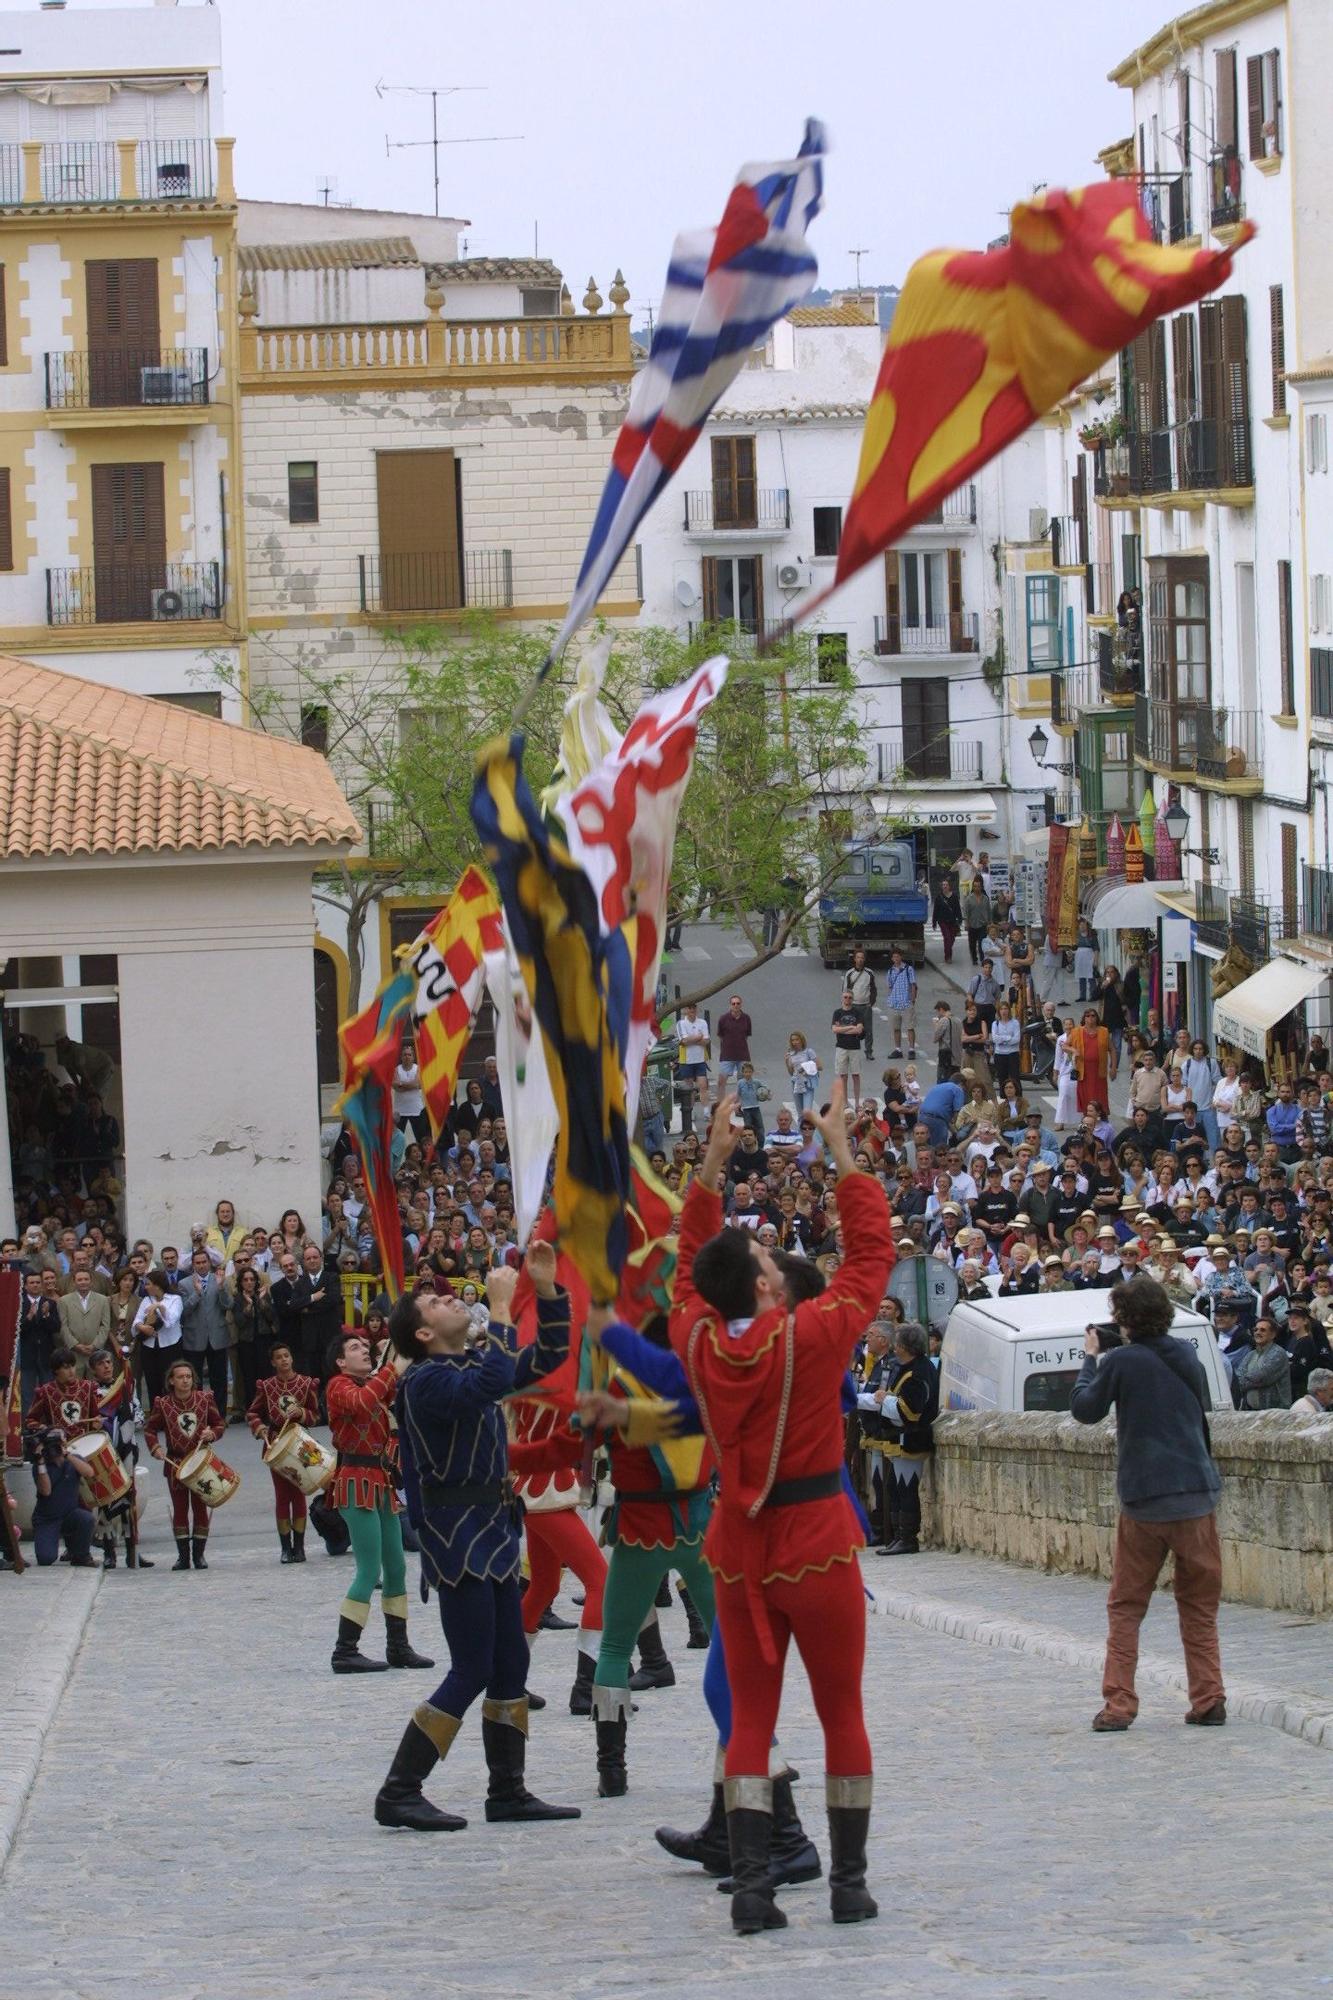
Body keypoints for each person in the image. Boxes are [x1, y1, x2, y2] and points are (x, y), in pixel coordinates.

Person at [669, 1083, 893, 1934]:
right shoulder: (813, 1333)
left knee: (752, 1720)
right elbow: (871, 1260)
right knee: (842, 1712)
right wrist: (841, 1158)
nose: (775, 1264)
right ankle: (847, 1883)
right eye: (767, 1265)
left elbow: (689, 1262)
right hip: (817, 1540)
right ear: (766, 1291)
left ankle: (755, 1890)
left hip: (738, 1546)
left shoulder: (693, 1337)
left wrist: (712, 1165)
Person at [373, 1245, 580, 1831]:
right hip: (455, 1534)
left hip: (491, 1528)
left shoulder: (463, 1366)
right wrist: (501, 1306)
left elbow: (548, 1357)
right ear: (421, 1332)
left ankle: (507, 1790)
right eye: (438, 1300)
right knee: (471, 1666)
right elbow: (492, 1382)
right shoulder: (426, 1380)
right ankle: (399, 1788)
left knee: (510, 1658)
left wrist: (546, 1291)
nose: (450, 1298)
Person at [1070, 1275, 1225, 1732]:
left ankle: (1119, 1703)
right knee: (1198, 1604)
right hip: (1196, 1492)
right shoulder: (1189, 1357)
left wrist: (1090, 1358)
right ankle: (1209, 1696)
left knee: (1126, 1605)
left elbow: (1085, 1408)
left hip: (1144, 1497)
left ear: (1124, 1318)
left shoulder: (1120, 1361)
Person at [326, 1327, 434, 1675]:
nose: (363, 1350)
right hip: (355, 1479)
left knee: (397, 1566)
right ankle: (345, 1650)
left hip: (381, 1479)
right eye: (355, 1348)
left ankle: (398, 1646)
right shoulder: (338, 1386)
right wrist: (390, 1369)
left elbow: (396, 1398)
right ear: (341, 1361)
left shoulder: (374, 1383)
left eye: (365, 1346)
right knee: (369, 1568)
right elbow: (363, 1402)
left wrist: (402, 1355)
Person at [144, 1357, 226, 1572]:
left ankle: (199, 1556)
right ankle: (183, 1557)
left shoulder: (204, 1399)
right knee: (180, 1510)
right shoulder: (163, 1404)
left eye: (188, 1377)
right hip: (176, 1463)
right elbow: (150, 1429)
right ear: (171, 1380)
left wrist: (212, 1433)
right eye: (180, 1377)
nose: (185, 1381)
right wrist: (156, 1448)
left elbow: (219, 1424)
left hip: (200, 1462)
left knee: (200, 1507)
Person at [246, 1343, 322, 1562]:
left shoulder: (306, 1384)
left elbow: (316, 1415)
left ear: (292, 1359)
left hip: (299, 1442)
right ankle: (285, 1548)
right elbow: (252, 1412)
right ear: (273, 1362)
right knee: (282, 1495)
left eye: (287, 1356)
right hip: (275, 1443)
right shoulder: (267, 1386)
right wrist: (259, 1427)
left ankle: (300, 1547)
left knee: (299, 1491)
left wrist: (303, 1413)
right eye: (278, 1357)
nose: (284, 1360)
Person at [873, 1321, 938, 1555]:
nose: (894, 1346)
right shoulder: (911, 1367)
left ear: (905, 1346)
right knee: (895, 1486)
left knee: (906, 1487)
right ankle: (899, 1536)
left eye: (897, 1343)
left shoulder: (917, 1372)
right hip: (904, 1437)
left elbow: (911, 1410)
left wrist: (884, 1400)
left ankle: (908, 1538)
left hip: (912, 1437)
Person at [27, 1426, 97, 1568]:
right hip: (47, 1519)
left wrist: (67, 1455)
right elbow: (45, 1491)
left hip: (70, 1514)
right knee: (46, 1559)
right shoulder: (40, 1465)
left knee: (86, 1518)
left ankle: (80, 1555)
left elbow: (89, 1473)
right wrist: (40, 1460)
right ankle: (58, 1543)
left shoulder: (74, 1459)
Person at [178, 1246, 231, 1420]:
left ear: (209, 1263)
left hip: (217, 1336)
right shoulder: (184, 1284)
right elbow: (183, 1311)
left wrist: (222, 1288)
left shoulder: (220, 1279)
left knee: (219, 1379)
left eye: (204, 1262)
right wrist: (197, 1294)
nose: (201, 1265)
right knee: (195, 1380)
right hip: (194, 1338)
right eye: (198, 1263)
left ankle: (219, 1416)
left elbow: (228, 1305)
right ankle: (198, 1415)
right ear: (193, 1265)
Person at [131, 1268, 183, 1409]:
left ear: (157, 1285)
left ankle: (171, 1412)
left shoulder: (175, 1299)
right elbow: (136, 1321)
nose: (145, 1287)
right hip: (149, 1346)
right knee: (152, 1381)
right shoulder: (146, 1300)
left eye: (148, 1284)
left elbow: (171, 1321)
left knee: (169, 1381)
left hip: (170, 1346)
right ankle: (156, 1414)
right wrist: (143, 1327)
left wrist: (159, 1307)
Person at [1232, 1317, 1293, 1409]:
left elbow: (1262, 1377)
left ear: (1272, 1334)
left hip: (1275, 1413)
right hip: (1250, 1411)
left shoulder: (1278, 1353)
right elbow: (1238, 1378)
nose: (1257, 1333)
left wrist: (1245, 1380)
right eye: (1255, 1330)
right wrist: (1246, 1380)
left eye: (1263, 1330)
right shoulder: (1250, 1355)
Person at [1071, 1009, 1114, 1117]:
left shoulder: (1104, 1031)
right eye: (1087, 1016)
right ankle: (1087, 1120)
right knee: (1085, 1097)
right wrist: (1074, 1051)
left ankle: (1103, 1119)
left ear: (1097, 1018)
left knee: (1101, 1096)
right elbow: (1065, 1045)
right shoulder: (1077, 1031)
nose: (1090, 1018)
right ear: (1084, 1018)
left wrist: (1113, 1067)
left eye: (1093, 1015)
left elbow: (1112, 1049)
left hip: (1099, 1071)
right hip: (1083, 1071)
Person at [831, 988, 865, 1111]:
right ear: (842, 998)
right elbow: (834, 1029)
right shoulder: (837, 1013)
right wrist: (851, 1027)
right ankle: (845, 1101)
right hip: (841, 1047)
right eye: (845, 997)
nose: (847, 999)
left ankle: (857, 1102)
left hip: (854, 1048)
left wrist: (843, 1028)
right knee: (843, 1076)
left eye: (850, 997)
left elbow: (859, 1030)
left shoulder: (857, 1013)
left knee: (856, 1075)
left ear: (853, 999)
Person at [883, 949, 917, 1061]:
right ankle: (898, 1049)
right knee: (896, 1028)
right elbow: (889, 987)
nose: (896, 959)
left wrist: (912, 999)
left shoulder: (908, 969)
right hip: (894, 1003)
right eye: (894, 957)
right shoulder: (890, 971)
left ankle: (911, 1049)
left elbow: (913, 984)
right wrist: (890, 999)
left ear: (901, 957)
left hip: (906, 1003)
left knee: (910, 1027)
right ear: (892, 958)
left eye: (898, 956)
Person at [845, 949, 877, 1062]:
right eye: (858, 957)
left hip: (866, 1006)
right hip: (854, 1006)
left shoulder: (869, 973)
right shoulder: (849, 973)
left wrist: (871, 1003)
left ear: (864, 959)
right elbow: (845, 990)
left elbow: (873, 989)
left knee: (868, 1030)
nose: (860, 960)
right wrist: (847, 1006)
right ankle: (853, 1052)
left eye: (862, 958)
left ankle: (869, 1051)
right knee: (853, 1030)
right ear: (854, 959)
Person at [716, 995, 753, 1086]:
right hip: (727, 1055)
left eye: (738, 1003)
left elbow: (747, 1035)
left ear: (741, 1005)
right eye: (733, 1003)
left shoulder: (746, 1018)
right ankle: (722, 1100)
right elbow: (721, 1035)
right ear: (730, 1005)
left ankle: (741, 1100)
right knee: (721, 1081)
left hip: (743, 1056)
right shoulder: (723, 1019)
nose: (736, 1005)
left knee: (744, 1082)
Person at [785, 1032, 821, 1117]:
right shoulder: (791, 1054)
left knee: (807, 1112)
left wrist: (806, 1068)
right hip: (796, 1083)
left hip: (807, 1083)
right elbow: (791, 1073)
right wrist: (786, 1062)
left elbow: (819, 1066)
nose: (795, 1042)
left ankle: (809, 1129)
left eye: (797, 1039)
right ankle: (801, 1130)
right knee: (800, 1114)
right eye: (793, 1040)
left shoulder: (809, 1052)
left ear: (802, 1040)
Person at [932, 875, 962, 964]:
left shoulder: (954, 896)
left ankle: (948, 952)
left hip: (952, 921)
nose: (944, 886)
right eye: (943, 885)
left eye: (946, 885)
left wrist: (960, 919)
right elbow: (935, 910)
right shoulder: (939, 897)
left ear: (949, 886)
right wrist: (934, 922)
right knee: (947, 938)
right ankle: (948, 957)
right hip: (942, 921)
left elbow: (957, 908)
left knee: (951, 939)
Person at [963, 879, 991, 966]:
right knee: (972, 943)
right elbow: (966, 912)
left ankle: (982, 959)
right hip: (972, 924)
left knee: (982, 943)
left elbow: (988, 911)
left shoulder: (985, 899)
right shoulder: (969, 899)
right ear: (973, 887)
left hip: (983, 924)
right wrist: (966, 923)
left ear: (981, 887)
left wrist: (989, 922)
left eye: (978, 886)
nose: (977, 888)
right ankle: (974, 958)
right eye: (975, 886)